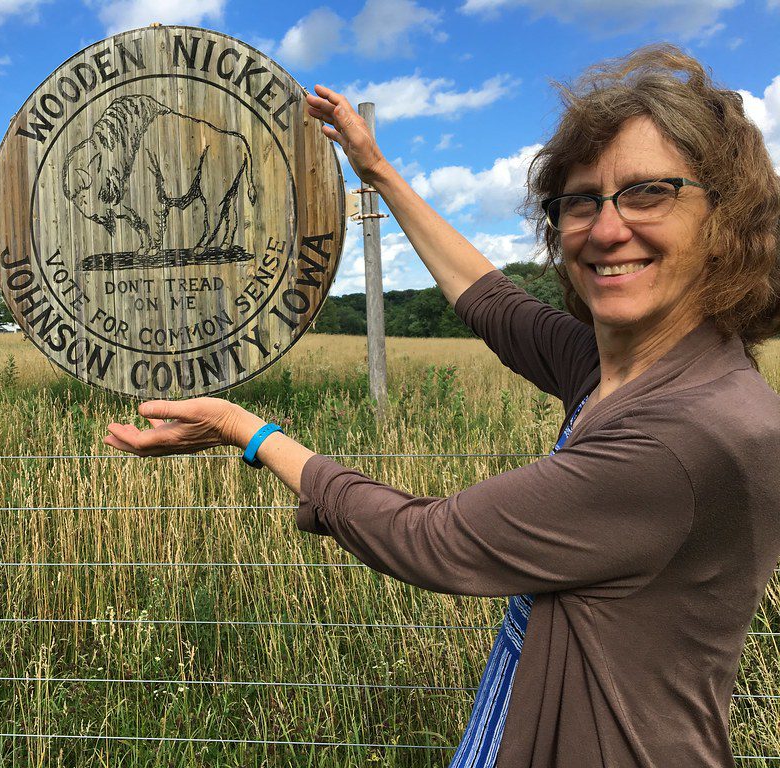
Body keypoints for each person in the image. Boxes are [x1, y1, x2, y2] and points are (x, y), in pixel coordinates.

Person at [104, 44, 780, 767]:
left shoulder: (687, 434)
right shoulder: (627, 368)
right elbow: (490, 300)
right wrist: (380, 174)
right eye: (581, 201)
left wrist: (248, 430)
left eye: (650, 192)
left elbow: (432, 540)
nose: (607, 229)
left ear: (726, 220)